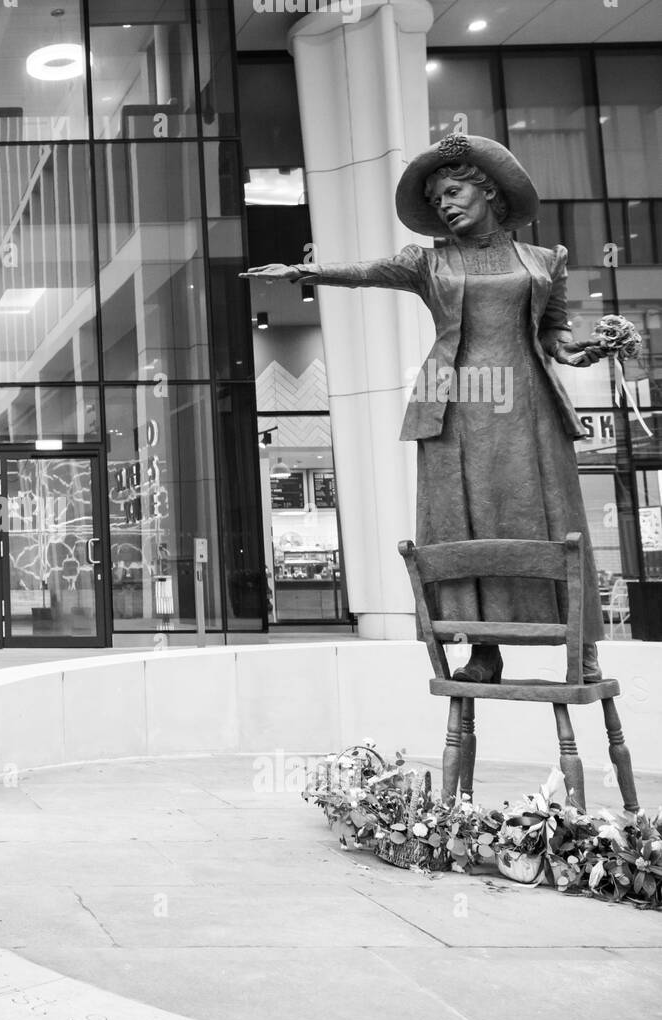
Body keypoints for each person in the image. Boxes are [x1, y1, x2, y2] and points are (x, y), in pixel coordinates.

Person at [243, 133, 605, 684]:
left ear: (490, 192)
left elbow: (553, 334)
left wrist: (579, 352)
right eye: (437, 200)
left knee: (554, 513)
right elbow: (367, 271)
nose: (446, 205)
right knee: (463, 518)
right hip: (454, 404)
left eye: (455, 191)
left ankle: (580, 648)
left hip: (528, 402)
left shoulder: (545, 261)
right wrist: (304, 272)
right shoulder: (427, 264)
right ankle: (482, 648)